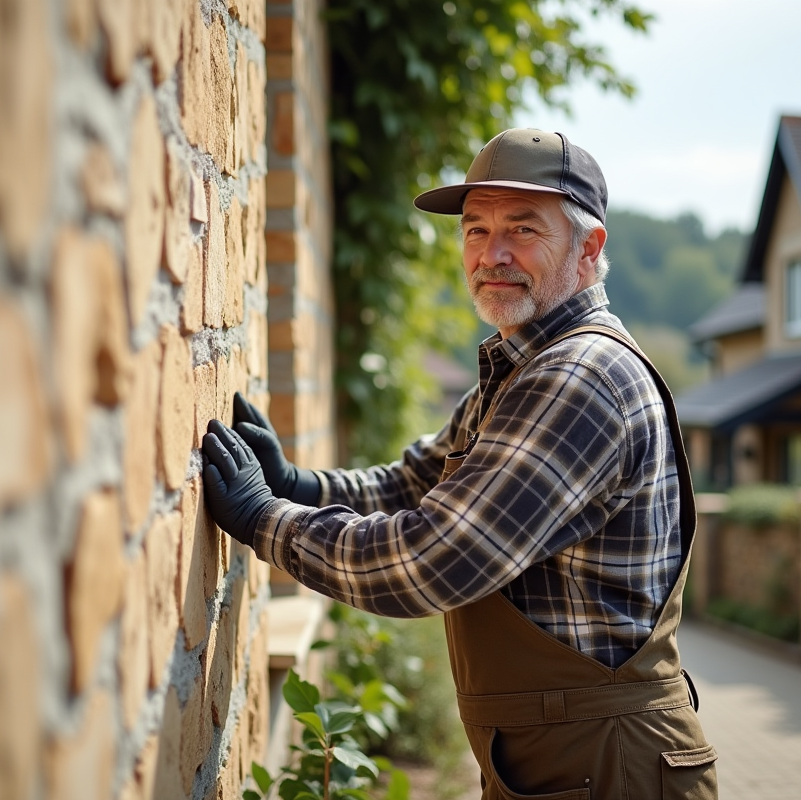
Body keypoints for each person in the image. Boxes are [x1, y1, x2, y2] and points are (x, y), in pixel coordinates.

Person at [201, 128, 718, 799]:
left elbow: (433, 559)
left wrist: (265, 519)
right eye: (476, 230)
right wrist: (302, 484)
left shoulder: (579, 378)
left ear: (588, 250)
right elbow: (416, 481)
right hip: (564, 756)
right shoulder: (524, 365)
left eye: (523, 229)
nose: (492, 254)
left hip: (607, 762)